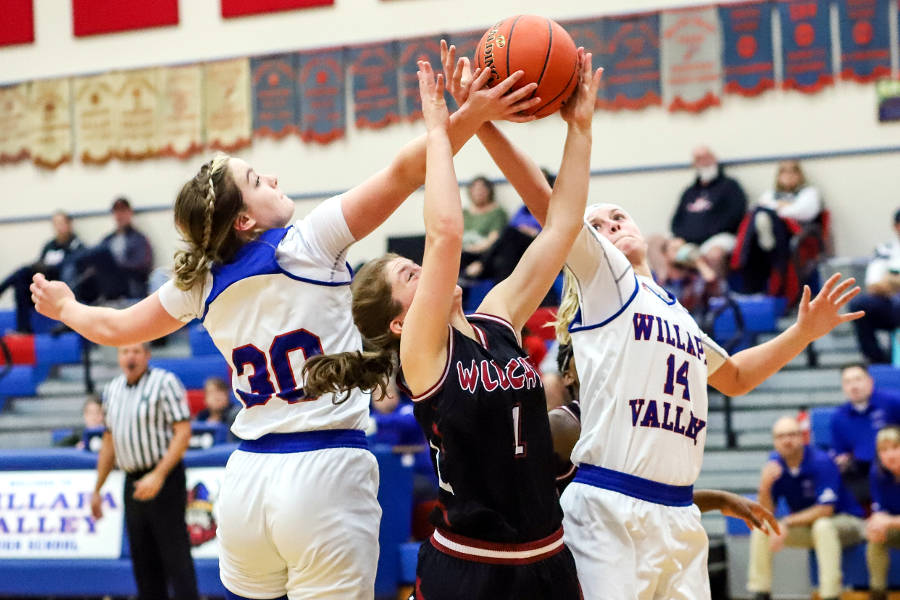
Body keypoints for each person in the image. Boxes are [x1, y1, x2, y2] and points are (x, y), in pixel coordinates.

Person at [30, 62, 539, 600]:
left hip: (247, 480)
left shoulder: (198, 283)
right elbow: (406, 172)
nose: (271, 178)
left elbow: (116, 326)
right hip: (323, 473)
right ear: (244, 221)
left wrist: (67, 308)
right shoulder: (308, 242)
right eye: (256, 181)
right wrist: (471, 115)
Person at [435, 40, 864, 600]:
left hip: (678, 515)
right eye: (597, 225)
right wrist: (489, 123)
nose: (611, 225)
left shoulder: (678, 314)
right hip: (611, 508)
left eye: (619, 216)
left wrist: (802, 332)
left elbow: (736, 377)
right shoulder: (608, 280)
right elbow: (546, 201)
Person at [303, 54, 602, 600]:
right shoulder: (423, 356)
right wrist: (440, 129)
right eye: (410, 276)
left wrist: (578, 129)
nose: (428, 273)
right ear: (399, 321)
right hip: (470, 567)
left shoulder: (498, 320)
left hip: (547, 559)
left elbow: (561, 229)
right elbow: (445, 234)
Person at [91, 342, 197, 600]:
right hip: (132, 480)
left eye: (137, 351)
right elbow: (109, 441)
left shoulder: (165, 382)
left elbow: (183, 433)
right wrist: (97, 488)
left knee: (176, 557)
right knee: (143, 562)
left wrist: (158, 475)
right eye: (125, 351)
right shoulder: (112, 389)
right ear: (118, 357)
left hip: (165, 478)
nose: (131, 357)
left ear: (147, 355)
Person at [748, 416, 865, 600]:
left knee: (823, 526)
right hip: (810, 528)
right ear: (774, 441)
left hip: (848, 522)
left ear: (803, 437)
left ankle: (830, 595)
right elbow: (766, 513)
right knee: (762, 529)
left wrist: (786, 522)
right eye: (780, 436)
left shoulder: (821, 461)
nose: (786, 440)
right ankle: (760, 593)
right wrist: (764, 486)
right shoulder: (775, 464)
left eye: (792, 434)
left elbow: (825, 510)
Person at [732, 159, 824, 299]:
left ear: (800, 175)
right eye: (784, 172)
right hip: (768, 242)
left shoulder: (808, 192)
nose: (788, 176)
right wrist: (782, 206)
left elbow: (804, 212)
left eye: (793, 171)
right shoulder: (770, 194)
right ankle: (765, 243)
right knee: (757, 218)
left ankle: (767, 240)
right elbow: (755, 209)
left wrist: (775, 208)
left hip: (794, 236)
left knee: (767, 216)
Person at [0, 211, 83, 333]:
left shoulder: (76, 245)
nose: (59, 227)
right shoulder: (49, 245)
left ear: (69, 224)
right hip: (44, 281)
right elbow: (40, 262)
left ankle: (1, 288)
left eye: (61, 223)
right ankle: (23, 330)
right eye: (56, 224)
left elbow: (70, 268)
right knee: (20, 284)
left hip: (59, 286)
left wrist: (46, 267)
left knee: (24, 270)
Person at [831, 362, 900, 507]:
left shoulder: (893, 402)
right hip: (861, 472)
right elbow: (841, 452)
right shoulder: (838, 417)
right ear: (843, 387)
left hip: (893, 467)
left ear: (870, 381)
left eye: (858, 379)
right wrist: (842, 460)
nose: (854, 386)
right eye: (848, 382)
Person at [670, 145, 747, 276]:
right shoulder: (689, 192)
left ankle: (717, 287)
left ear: (715, 159)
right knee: (660, 245)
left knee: (714, 254)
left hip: (718, 238)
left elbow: (736, 216)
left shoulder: (730, 186)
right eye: (699, 159)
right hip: (689, 240)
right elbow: (676, 222)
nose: (704, 162)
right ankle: (668, 286)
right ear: (694, 164)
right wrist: (683, 238)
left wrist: (702, 235)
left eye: (707, 157)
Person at [73, 197, 153, 304]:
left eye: (123, 211)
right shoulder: (108, 239)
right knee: (82, 259)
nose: (120, 215)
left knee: (103, 253)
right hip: (107, 284)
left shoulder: (139, 239)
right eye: (117, 212)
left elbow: (142, 265)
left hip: (130, 284)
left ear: (130, 213)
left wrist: (116, 264)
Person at [849, 207, 900, 364]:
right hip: (890, 304)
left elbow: (885, 282)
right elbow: (874, 286)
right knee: (859, 305)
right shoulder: (885, 249)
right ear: (896, 226)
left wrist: (891, 279)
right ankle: (877, 361)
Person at [866, 426, 900, 600]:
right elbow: (879, 511)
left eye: (895, 447)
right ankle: (878, 593)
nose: (890, 455)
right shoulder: (877, 473)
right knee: (876, 534)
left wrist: (889, 522)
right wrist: (876, 523)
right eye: (883, 450)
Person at [460, 175, 507, 269]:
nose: (478, 192)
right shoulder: (464, 212)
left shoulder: (497, 213)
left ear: (489, 191)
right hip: (460, 251)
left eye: (482, 189)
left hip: (481, 254)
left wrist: (470, 249)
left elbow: (493, 239)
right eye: (475, 189)